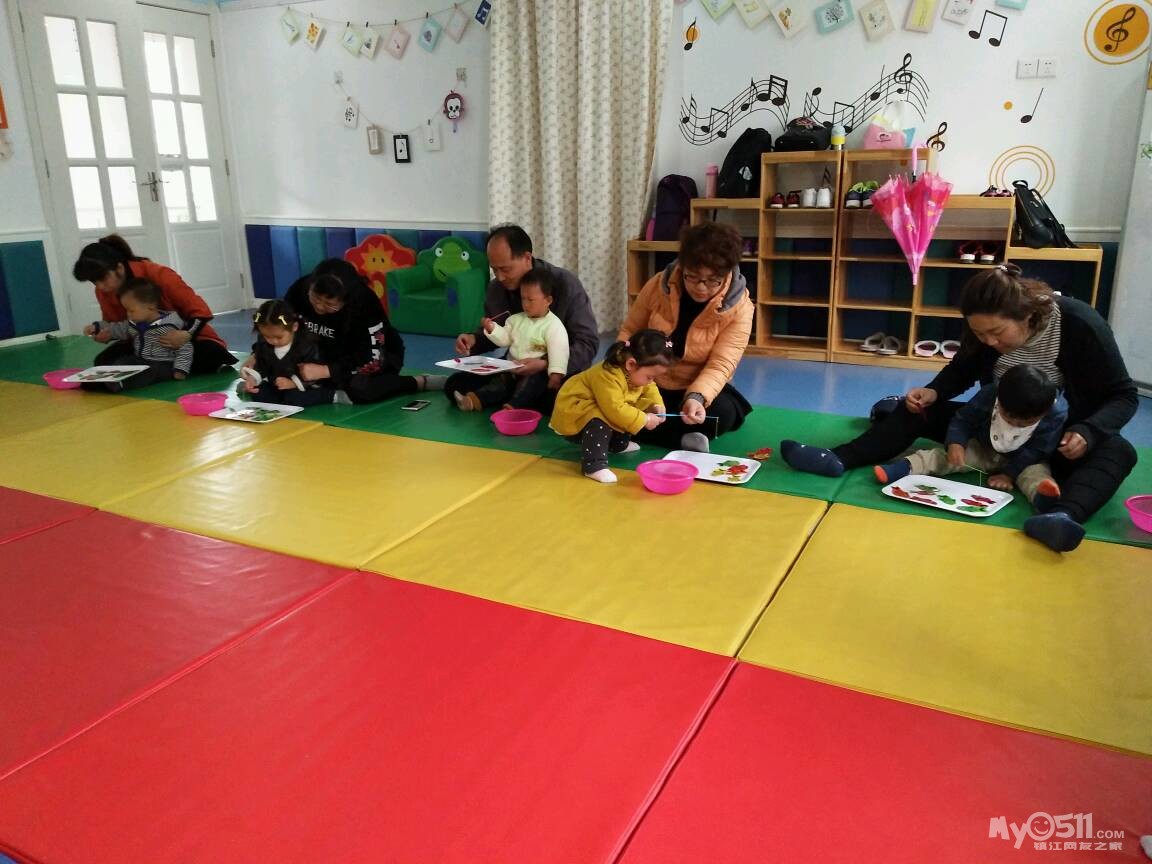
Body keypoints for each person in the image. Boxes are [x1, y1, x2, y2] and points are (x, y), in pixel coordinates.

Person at [781, 264, 1139, 552]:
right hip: (990, 430)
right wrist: (933, 392)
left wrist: (1088, 431)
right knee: (913, 407)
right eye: (980, 334)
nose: (989, 341)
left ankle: (1061, 518)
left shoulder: (1078, 324)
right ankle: (839, 458)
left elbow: (1123, 395)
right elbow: (962, 369)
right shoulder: (984, 331)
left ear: (1027, 314)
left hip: (1054, 440)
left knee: (1119, 451)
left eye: (997, 332)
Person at [618, 220, 754, 453]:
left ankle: (629, 429)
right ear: (682, 266)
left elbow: (721, 364)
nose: (701, 287)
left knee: (720, 414)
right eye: (692, 276)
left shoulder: (740, 308)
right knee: (600, 395)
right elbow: (629, 332)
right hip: (648, 380)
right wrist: (624, 373)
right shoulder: (658, 285)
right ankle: (677, 437)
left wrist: (696, 398)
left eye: (712, 280)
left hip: (695, 385)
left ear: (727, 274)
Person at [874, 364, 1068, 516]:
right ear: (999, 401)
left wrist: (1008, 475)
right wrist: (956, 443)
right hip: (984, 448)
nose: (1015, 425)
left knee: (1036, 474)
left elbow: (1038, 450)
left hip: (1026, 459)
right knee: (946, 457)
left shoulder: (1056, 412)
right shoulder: (991, 393)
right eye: (1009, 419)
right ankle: (905, 467)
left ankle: (1042, 497)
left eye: (1025, 423)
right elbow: (963, 419)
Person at [448, 224, 599, 412]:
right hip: (515, 367)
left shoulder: (564, 284)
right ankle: (511, 396)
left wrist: (546, 364)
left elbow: (588, 343)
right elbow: (500, 334)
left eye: (506, 269)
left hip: (557, 370)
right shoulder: (497, 288)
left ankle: (507, 397)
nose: (500, 277)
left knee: (552, 398)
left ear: (527, 258)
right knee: (455, 384)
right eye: (494, 270)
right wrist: (474, 340)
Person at [283, 259, 444, 404]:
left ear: (345, 300)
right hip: (319, 354)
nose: (319, 307)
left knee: (361, 389)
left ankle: (417, 382)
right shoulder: (300, 289)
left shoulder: (364, 303)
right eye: (315, 298)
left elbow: (372, 358)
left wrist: (327, 371)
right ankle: (326, 386)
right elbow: (280, 324)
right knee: (276, 381)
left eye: (329, 304)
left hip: (374, 357)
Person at [72, 234, 236, 374]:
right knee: (103, 362)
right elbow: (118, 327)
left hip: (185, 340)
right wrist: (107, 334)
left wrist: (186, 334)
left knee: (211, 355)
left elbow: (200, 312)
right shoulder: (103, 291)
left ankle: (157, 369)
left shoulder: (160, 275)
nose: (100, 287)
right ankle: (161, 368)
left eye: (102, 279)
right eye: (94, 282)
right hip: (144, 344)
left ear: (119, 268)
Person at [549, 329, 674, 484]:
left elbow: (650, 388)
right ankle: (593, 465)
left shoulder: (633, 371)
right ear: (631, 364)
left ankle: (617, 445)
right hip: (574, 413)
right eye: (650, 376)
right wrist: (645, 419)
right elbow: (614, 409)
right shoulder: (607, 374)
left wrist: (656, 404)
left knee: (629, 409)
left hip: (600, 406)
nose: (651, 381)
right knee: (605, 416)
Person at [453, 267, 569, 412]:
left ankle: (512, 409)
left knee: (530, 387)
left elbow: (559, 351)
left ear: (548, 300)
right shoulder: (515, 319)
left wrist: (556, 374)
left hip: (535, 372)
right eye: (523, 298)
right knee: (498, 385)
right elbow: (505, 339)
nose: (525, 304)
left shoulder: (554, 325)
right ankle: (472, 401)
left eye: (531, 300)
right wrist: (492, 328)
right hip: (511, 368)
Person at [81, 278, 192, 390]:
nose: (128, 314)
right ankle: (106, 379)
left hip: (163, 364)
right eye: (126, 310)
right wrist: (97, 327)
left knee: (149, 373)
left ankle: (117, 384)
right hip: (139, 359)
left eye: (131, 311)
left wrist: (180, 369)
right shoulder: (134, 323)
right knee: (122, 362)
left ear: (150, 308)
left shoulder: (168, 327)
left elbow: (185, 348)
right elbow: (118, 329)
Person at [238, 299, 349, 407]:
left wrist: (293, 383)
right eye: (267, 336)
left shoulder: (305, 346)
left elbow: (312, 375)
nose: (273, 341)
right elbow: (261, 366)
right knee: (260, 394)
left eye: (279, 337)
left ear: (294, 327)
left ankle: (331, 395)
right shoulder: (264, 345)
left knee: (294, 398)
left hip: (301, 386)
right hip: (276, 384)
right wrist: (253, 379)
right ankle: (252, 387)